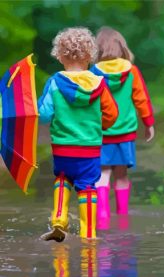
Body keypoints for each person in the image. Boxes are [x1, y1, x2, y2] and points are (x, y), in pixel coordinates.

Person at [38, 27, 118, 241]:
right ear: (89, 57)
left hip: (63, 147)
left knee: (63, 179)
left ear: (60, 56)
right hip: (89, 148)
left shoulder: (54, 82)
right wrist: (101, 126)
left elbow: (44, 115)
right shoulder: (99, 84)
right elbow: (112, 114)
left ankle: (58, 220)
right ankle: (88, 233)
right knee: (87, 186)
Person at [90, 27, 155, 229]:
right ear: (122, 48)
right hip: (125, 133)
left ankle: (102, 214)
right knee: (122, 175)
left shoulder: (93, 73)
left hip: (101, 133)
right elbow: (141, 98)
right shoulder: (132, 72)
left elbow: (87, 101)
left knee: (102, 174)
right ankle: (123, 216)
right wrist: (149, 123)